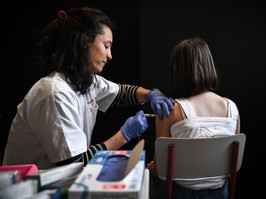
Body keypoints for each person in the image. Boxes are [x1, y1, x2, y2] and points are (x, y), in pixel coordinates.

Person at [3, 7, 174, 169]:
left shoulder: (85, 81)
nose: (110, 55)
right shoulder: (55, 93)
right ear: (85, 41)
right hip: (27, 188)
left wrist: (151, 94)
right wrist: (124, 135)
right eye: (106, 46)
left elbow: (121, 93)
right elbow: (76, 162)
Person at [147, 37, 240, 199]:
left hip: (180, 193)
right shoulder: (232, 108)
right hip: (221, 192)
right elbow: (234, 161)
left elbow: (161, 169)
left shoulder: (170, 110)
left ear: (178, 71)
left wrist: (151, 167)